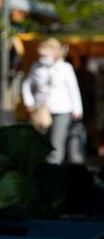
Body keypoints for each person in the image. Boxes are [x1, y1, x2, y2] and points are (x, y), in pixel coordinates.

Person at [21, 37, 83, 165]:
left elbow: (73, 89)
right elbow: (26, 85)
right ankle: (41, 168)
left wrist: (78, 109)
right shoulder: (36, 67)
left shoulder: (65, 68)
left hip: (62, 110)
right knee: (40, 141)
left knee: (56, 143)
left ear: (55, 53)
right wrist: (29, 102)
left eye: (45, 54)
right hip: (41, 110)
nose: (42, 57)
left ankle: (54, 171)